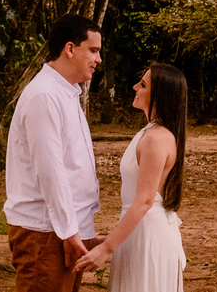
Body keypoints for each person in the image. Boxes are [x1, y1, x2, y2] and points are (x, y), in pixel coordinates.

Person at [4, 13, 102, 292]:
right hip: (46, 233)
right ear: (70, 49)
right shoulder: (44, 95)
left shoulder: (67, 92)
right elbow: (50, 171)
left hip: (66, 231)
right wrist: (69, 231)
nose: (98, 59)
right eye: (93, 50)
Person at [74, 62, 187, 291]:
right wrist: (112, 238)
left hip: (148, 233)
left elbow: (145, 201)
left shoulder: (157, 138)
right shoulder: (149, 132)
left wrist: (106, 250)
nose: (135, 87)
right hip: (137, 229)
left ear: (160, 95)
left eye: (143, 84)